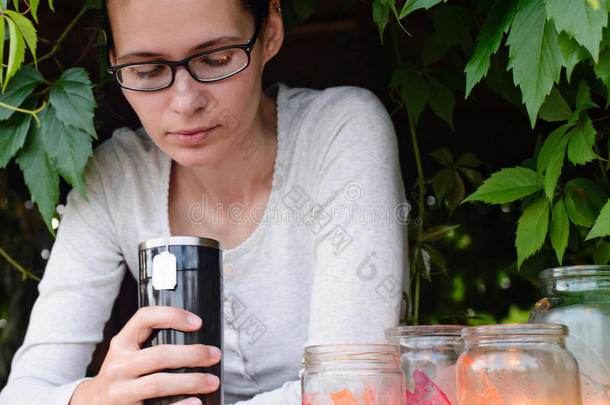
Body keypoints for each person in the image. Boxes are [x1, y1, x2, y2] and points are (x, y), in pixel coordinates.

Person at [0, 0, 409, 404]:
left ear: (270, 32)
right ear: (114, 60)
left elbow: (355, 386)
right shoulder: (117, 178)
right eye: (146, 70)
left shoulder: (339, 132)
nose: (185, 102)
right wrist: (91, 397)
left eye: (217, 59)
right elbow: (24, 393)